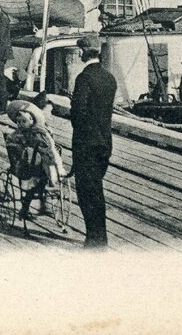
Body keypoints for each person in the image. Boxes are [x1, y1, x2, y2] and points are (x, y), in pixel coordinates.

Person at [69, 33, 117, 249]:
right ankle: (100, 237)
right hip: (105, 142)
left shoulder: (84, 78)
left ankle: (95, 241)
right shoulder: (109, 78)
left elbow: (78, 113)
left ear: (81, 52)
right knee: (97, 189)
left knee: (87, 193)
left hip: (86, 144)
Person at [5, 97, 65, 219]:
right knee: (34, 183)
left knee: (48, 173)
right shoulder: (17, 135)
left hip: (42, 164)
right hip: (26, 165)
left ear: (32, 121)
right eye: (19, 122)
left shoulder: (39, 132)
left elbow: (48, 145)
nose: (21, 124)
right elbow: (14, 149)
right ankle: (25, 208)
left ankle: (46, 201)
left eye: (24, 121)